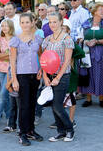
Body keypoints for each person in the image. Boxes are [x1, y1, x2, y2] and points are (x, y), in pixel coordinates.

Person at [10, 13, 43, 146]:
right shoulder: (15, 40)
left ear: (32, 23)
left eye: (27, 22)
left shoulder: (38, 39)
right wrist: (14, 79)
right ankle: (22, 133)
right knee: (23, 105)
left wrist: (41, 69)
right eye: (22, 22)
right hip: (21, 75)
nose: (25, 25)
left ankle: (31, 130)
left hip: (34, 75)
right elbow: (12, 61)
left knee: (32, 104)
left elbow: (41, 56)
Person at [41, 12, 75, 142]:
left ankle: (70, 130)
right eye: (50, 22)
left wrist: (58, 78)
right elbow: (44, 59)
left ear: (61, 22)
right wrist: (45, 76)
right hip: (49, 75)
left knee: (57, 106)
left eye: (55, 22)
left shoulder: (67, 39)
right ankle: (60, 132)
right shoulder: (47, 39)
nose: (52, 24)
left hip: (62, 76)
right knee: (54, 106)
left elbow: (67, 61)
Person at [49, 20, 84, 129]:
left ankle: (71, 120)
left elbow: (81, 53)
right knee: (59, 98)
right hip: (57, 72)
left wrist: (71, 57)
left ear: (68, 30)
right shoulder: (53, 40)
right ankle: (60, 119)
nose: (61, 30)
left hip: (70, 73)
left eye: (64, 28)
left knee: (70, 97)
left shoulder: (70, 41)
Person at [79, 3, 103, 107]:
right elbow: (79, 37)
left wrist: (97, 41)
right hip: (87, 51)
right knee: (87, 73)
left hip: (99, 51)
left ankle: (101, 98)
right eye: (100, 10)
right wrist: (85, 41)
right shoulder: (86, 23)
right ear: (94, 12)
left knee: (99, 73)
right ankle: (88, 99)